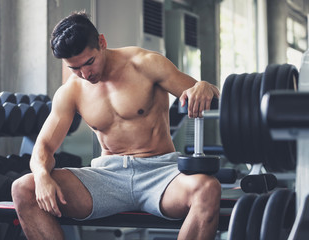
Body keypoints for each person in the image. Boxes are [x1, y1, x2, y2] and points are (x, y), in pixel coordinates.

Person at [12, 11, 221, 240]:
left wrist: (205, 86)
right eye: (75, 68)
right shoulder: (72, 90)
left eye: (89, 62)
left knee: (207, 189)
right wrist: (42, 175)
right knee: (24, 188)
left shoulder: (146, 64)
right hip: (107, 177)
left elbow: (210, 96)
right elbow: (43, 146)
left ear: (102, 42)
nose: (85, 74)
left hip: (161, 174)